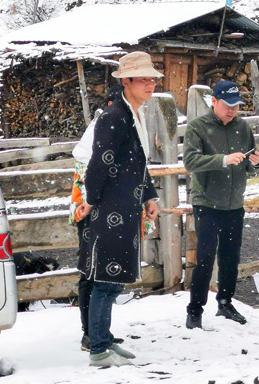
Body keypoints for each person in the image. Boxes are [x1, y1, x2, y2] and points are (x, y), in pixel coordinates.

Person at [76, 51, 161, 367]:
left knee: (114, 279)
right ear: (126, 82)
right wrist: (91, 201)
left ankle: (105, 338)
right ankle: (98, 348)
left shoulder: (133, 114)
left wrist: (149, 196)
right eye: (142, 79)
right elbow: (100, 163)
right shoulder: (114, 117)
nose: (150, 84)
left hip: (125, 207)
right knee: (105, 280)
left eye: (152, 79)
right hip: (109, 209)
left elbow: (137, 163)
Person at [183, 80, 259, 330]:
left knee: (231, 257)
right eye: (227, 105)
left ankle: (226, 303)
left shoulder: (243, 127)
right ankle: (195, 309)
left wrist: (257, 163)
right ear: (214, 102)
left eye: (236, 106)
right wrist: (222, 160)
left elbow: (250, 164)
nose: (232, 110)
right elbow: (190, 161)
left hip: (234, 204)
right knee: (205, 257)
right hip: (207, 203)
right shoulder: (197, 127)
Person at [69, 85, 124, 353]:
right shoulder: (102, 126)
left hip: (98, 207)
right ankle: (90, 333)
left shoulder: (111, 125)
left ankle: (99, 331)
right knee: (91, 271)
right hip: (90, 208)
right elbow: (92, 167)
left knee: (100, 271)